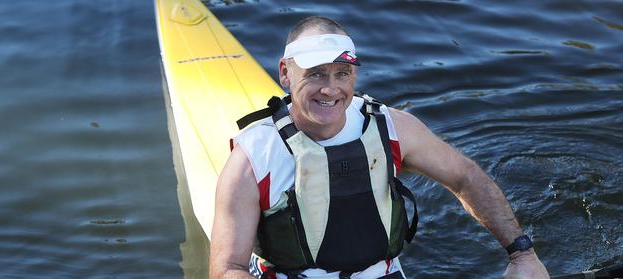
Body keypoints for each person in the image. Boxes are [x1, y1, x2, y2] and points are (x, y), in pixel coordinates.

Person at [210, 16, 550, 279]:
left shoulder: (391, 128)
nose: (330, 89)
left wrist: (523, 255)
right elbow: (227, 268)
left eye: (342, 74)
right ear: (285, 73)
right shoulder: (253, 160)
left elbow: (465, 177)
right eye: (316, 74)